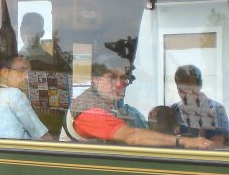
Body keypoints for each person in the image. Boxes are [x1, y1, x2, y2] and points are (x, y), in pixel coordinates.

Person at [62, 52, 212, 149]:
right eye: (112, 77)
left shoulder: (113, 104)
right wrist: (183, 141)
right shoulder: (88, 109)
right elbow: (132, 136)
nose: (119, 84)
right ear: (95, 80)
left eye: (124, 79)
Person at [0, 56, 50, 140]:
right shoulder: (15, 95)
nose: (26, 77)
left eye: (28, 73)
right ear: (5, 72)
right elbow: (41, 135)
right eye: (21, 71)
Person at [171, 65, 229, 146]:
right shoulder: (174, 109)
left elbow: (218, 144)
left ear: (200, 85)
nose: (186, 94)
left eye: (190, 88)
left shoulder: (216, 110)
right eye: (180, 89)